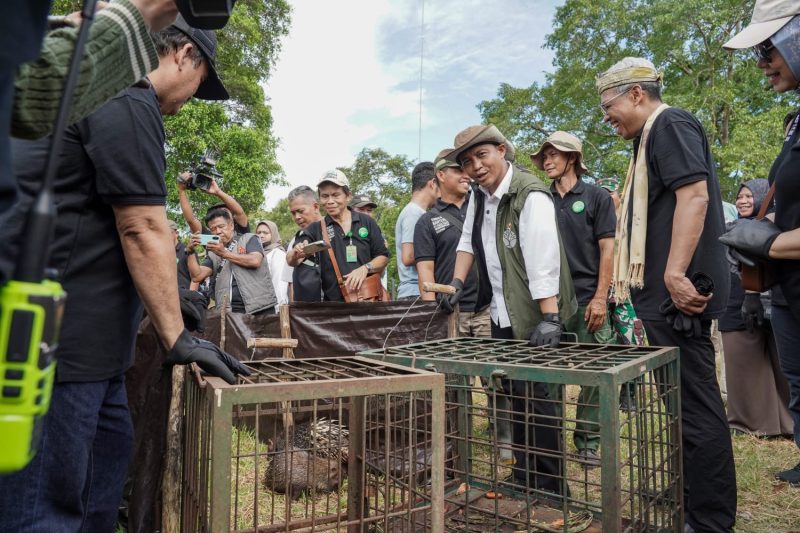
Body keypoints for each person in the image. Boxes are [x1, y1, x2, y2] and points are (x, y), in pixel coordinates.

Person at [0, 18, 248, 532]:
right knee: (41, 510)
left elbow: (106, 223)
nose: (190, 99)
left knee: (99, 487)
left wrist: (172, 294)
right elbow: (141, 225)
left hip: (100, 354)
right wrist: (176, 336)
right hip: (60, 347)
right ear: (183, 54)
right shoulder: (123, 94)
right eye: (201, 82)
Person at [596, 57, 735, 531]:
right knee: (677, 406)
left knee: (695, 409)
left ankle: (710, 518)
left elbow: (693, 196)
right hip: (658, 298)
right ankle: (689, 495)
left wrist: (676, 273)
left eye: (608, 104)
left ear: (637, 93)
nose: (605, 116)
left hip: (679, 297)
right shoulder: (645, 141)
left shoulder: (670, 122)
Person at [445, 124, 577, 494]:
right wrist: (456, 283)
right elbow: (467, 243)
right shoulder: (478, 196)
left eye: (482, 155)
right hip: (503, 310)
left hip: (536, 314)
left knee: (539, 400)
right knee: (515, 395)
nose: (476, 166)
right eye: (467, 161)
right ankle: (524, 475)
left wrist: (550, 317)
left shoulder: (529, 194)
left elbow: (543, 259)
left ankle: (551, 485)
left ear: (502, 150)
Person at [722, 1, 800, 487]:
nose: (762, 63)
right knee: (796, 380)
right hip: (788, 290)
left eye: (769, 48)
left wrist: (767, 246)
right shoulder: (793, 124)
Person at [530, 131, 616, 468]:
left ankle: (588, 441)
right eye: (544, 156)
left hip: (586, 297)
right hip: (549, 301)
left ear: (572, 158)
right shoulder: (540, 199)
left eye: (554, 154)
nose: (547, 161)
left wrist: (600, 298)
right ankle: (550, 444)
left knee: (595, 372)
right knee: (547, 376)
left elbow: (608, 248)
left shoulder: (596, 197)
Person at [718, 179, 792, 436]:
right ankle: (750, 421)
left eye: (750, 196)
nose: (743, 200)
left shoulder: (774, 228)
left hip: (772, 302)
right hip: (735, 302)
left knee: (780, 367)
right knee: (744, 365)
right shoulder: (732, 227)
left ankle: (784, 421)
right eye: (740, 196)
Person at [415, 149, 490, 337]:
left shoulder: (484, 207)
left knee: (492, 365)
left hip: (488, 310)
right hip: (451, 311)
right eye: (459, 170)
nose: (467, 175)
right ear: (440, 174)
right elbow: (425, 271)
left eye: (467, 169)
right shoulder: (426, 221)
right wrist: (431, 313)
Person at [287, 170, 388, 302]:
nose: (330, 201)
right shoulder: (315, 229)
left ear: (348, 196)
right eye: (324, 196)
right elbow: (291, 259)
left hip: (369, 301)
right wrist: (297, 253)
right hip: (334, 310)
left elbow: (383, 257)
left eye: (335, 195)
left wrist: (365, 268)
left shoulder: (366, 221)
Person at [187, 208, 277, 315]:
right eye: (213, 229)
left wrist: (224, 253)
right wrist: (190, 252)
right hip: (230, 312)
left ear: (231, 225)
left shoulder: (248, 238)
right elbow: (197, 276)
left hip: (260, 307)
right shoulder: (213, 252)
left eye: (221, 226)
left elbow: (255, 260)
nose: (218, 231)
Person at [395, 162, 437, 300]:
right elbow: (408, 257)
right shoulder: (414, 213)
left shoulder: (417, 212)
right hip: (414, 292)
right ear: (432, 184)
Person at [282, 185, 324, 302]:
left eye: (301, 211)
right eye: (293, 213)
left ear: (316, 207)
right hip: (307, 310)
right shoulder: (294, 241)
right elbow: (291, 282)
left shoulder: (334, 231)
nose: (297, 217)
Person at [178, 173, 249, 236]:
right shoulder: (211, 239)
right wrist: (181, 190)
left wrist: (218, 192)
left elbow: (239, 212)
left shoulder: (242, 233)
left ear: (232, 224)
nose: (218, 231)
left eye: (224, 211)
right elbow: (191, 221)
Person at [257, 220, 289, 308]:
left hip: (274, 305)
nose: (261, 235)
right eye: (258, 232)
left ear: (273, 234)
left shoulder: (277, 253)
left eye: (265, 233)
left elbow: (279, 282)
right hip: (260, 304)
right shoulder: (257, 253)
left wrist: (279, 306)